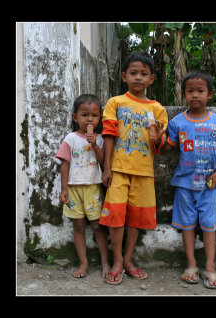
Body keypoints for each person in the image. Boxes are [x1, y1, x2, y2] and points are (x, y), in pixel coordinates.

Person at [99, 51, 168, 285]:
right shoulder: (115, 103)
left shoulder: (157, 109)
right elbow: (108, 135)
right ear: (124, 76)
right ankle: (117, 260)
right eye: (133, 73)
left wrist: (158, 137)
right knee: (116, 217)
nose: (138, 77)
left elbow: (159, 143)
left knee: (136, 219)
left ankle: (128, 259)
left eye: (144, 74)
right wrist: (106, 168)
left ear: (152, 79)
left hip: (144, 173)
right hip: (118, 170)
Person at [162, 70, 216, 289]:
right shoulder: (177, 122)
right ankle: (191, 265)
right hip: (184, 184)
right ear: (183, 94)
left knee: (209, 226)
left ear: (209, 94)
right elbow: (167, 148)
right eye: (190, 91)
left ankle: (210, 267)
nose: (195, 95)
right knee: (188, 225)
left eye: (200, 91)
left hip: (209, 184)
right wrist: (156, 135)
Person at [56, 94, 110, 279]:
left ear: (99, 118)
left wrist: (94, 144)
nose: (89, 119)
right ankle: (83, 262)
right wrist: (64, 189)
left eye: (94, 116)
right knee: (78, 226)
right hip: (73, 189)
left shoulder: (101, 139)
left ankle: (105, 262)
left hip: (93, 188)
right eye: (84, 115)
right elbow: (65, 164)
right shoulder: (70, 138)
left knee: (97, 227)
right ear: (75, 117)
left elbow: (103, 162)